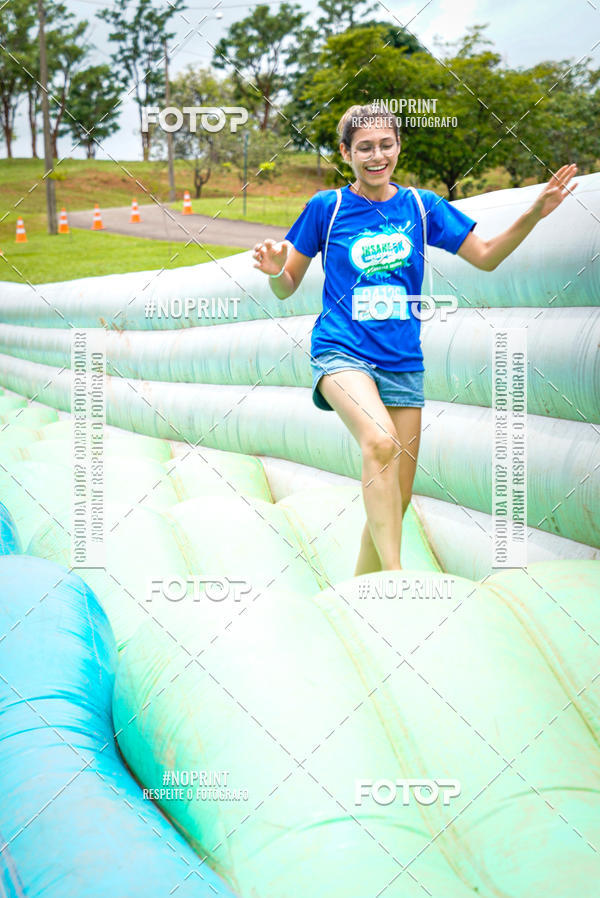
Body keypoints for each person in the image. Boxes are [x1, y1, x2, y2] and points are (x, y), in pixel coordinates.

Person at [252, 103, 578, 575]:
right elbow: (286, 286)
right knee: (379, 443)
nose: (376, 155)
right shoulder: (328, 207)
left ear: (398, 147)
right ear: (346, 153)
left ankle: (362, 593)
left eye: (386, 145)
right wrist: (273, 271)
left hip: (403, 360)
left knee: (398, 496)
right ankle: (397, 581)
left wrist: (534, 214)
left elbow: (485, 257)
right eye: (364, 147)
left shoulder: (423, 207)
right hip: (341, 350)